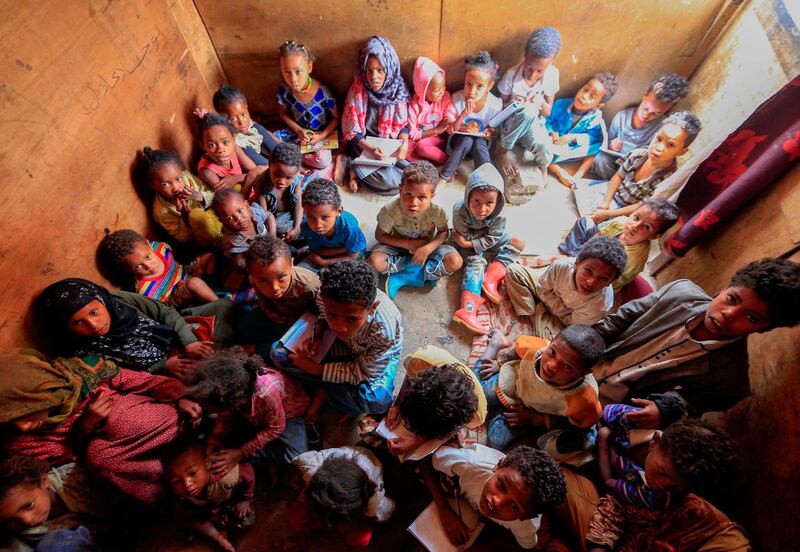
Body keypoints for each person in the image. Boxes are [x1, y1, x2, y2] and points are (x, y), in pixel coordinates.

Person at [591, 257, 800, 425]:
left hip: (608, 410)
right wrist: (579, 344)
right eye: (732, 299)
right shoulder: (679, 293)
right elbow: (621, 319)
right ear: (725, 289)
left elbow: (700, 402)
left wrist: (666, 409)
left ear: (764, 329)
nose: (729, 314)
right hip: (586, 363)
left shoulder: (732, 376)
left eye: (751, 317)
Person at [0, 351, 202, 503]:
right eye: (11, 418)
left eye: (26, 412)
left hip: (163, 426)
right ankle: (173, 490)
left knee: (120, 422)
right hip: (123, 459)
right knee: (100, 458)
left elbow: (145, 381)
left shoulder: (83, 373)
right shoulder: (20, 442)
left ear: (37, 394)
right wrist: (86, 423)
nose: (24, 426)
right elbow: (70, 456)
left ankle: (189, 466)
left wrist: (180, 397)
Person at [272, 260, 402, 417]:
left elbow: (366, 372)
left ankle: (324, 387)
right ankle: (332, 387)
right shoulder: (325, 295)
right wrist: (318, 334)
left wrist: (315, 369)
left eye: (352, 319)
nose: (339, 327)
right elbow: (322, 311)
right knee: (278, 354)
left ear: (372, 308)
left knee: (375, 401)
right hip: (343, 345)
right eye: (332, 315)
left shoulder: (382, 331)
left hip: (369, 358)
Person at [588, 418, 742, 551]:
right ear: (655, 441)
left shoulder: (657, 499)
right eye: (662, 472)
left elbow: (614, 498)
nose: (661, 486)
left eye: (676, 487)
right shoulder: (635, 425)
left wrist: (603, 441)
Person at [38, 278, 214, 378]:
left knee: (226, 309)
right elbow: (116, 376)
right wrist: (162, 367)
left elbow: (164, 311)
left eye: (94, 312)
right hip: (159, 372)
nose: (94, 325)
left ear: (101, 301)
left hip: (175, 337)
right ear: (66, 327)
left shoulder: (118, 300)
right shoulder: (79, 351)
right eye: (78, 322)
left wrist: (189, 342)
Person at [480, 325, 604, 454]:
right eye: (553, 352)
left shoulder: (584, 399)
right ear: (551, 341)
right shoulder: (537, 348)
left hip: (533, 411)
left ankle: (502, 407)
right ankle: (495, 345)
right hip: (516, 384)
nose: (551, 365)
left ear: (583, 373)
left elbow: (579, 424)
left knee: (497, 440)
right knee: (477, 391)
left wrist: (534, 419)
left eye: (567, 366)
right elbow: (517, 349)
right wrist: (499, 363)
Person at [185, 347, 310, 470]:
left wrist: (241, 453)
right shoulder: (230, 390)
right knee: (214, 427)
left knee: (293, 456)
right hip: (254, 413)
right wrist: (216, 437)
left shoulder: (266, 394)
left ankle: (258, 455)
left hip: (288, 413)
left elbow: (276, 428)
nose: (201, 407)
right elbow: (225, 415)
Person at [426, 444, 566, 549]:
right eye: (502, 485)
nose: (497, 502)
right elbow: (425, 458)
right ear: (498, 466)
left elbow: (528, 544)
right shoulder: (468, 462)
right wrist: (444, 509)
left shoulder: (526, 526)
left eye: (514, 507)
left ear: (524, 517)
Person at [368, 161, 463, 299]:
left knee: (455, 261)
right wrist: (407, 244)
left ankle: (412, 272)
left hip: (427, 248)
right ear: (400, 190)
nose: (413, 202)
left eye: (422, 197)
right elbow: (380, 235)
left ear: (432, 196)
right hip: (398, 247)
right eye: (408, 194)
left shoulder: (437, 211)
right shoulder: (389, 211)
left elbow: (444, 232)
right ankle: (419, 271)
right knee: (374, 261)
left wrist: (426, 249)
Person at [587, 111, 702, 223]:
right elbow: (618, 176)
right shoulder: (637, 155)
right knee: (581, 198)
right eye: (659, 138)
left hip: (627, 215)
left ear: (681, 151)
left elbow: (640, 206)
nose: (659, 147)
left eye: (670, 145)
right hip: (610, 197)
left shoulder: (667, 180)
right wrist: (605, 204)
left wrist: (608, 214)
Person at [451, 163, 525, 334]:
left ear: (497, 201)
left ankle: (490, 278)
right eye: (476, 201)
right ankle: (468, 310)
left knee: (518, 242)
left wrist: (470, 243)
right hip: (466, 248)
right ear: (468, 196)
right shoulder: (459, 210)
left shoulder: (501, 214)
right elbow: (464, 236)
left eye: (489, 203)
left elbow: (493, 237)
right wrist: (470, 245)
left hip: (471, 243)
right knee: (476, 265)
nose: (482, 209)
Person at [505, 237, 627, 339]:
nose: (591, 282)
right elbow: (542, 286)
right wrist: (548, 302)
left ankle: (535, 315)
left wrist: (549, 306)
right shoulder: (562, 266)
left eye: (603, 278)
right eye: (588, 271)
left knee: (551, 341)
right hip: (550, 300)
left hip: (561, 321)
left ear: (610, 282)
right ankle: (529, 315)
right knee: (514, 271)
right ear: (577, 263)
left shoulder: (601, 305)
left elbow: (572, 324)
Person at [559, 198, 680, 291]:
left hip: (600, 273)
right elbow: (598, 235)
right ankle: (573, 255)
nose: (635, 226)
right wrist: (583, 255)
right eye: (636, 218)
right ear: (631, 214)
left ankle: (574, 258)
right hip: (593, 252)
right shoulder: (620, 222)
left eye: (647, 227)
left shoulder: (635, 261)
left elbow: (611, 282)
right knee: (584, 222)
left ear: (654, 236)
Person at [383, 348, 483, 458]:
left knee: (479, 373)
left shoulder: (477, 415)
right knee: (409, 361)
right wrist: (399, 405)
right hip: (431, 359)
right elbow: (409, 379)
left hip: (476, 391)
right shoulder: (421, 361)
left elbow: (453, 429)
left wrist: (417, 441)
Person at [342, 35, 410, 194]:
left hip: (388, 144)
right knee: (387, 180)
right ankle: (353, 168)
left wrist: (404, 144)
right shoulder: (357, 90)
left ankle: (356, 172)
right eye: (369, 70)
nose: (374, 77)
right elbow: (352, 132)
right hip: (363, 145)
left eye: (380, 70)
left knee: (410, 173)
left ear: (390, 68)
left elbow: (402, 126)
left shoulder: (396, 90)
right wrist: (371, 150)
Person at [591, 73, 690, 180]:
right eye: (645, 108)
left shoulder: (663, 128)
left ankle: (619, 187)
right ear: (645, 96)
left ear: (667, 110)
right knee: (600, 160)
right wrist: (611, 145)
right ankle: (615, 186)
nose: (646, 115)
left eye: (655, 114)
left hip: (635, 170)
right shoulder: (622, 116)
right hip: (614, 163)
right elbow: (607, 141)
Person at [164, 436, 256, 552]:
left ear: (207, 464)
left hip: (231, 500)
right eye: (177, 481)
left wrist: (245, 499)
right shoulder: (182, 497)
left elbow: (248, 472)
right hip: (212, 508)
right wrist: (217, 537)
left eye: (192, 473)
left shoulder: (224, 475)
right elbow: (194, 518)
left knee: (246, 520)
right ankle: (221, 530)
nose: (187, 484)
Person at [290, 447, 394, 548]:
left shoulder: (371, 497)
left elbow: (377, 512)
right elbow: (303, 461)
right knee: (296, 519)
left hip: (358, 502)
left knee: (361, 539)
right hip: (337, 477)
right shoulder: (314, 469)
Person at [235, 235, 320, 359]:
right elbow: (262, 298)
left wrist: (300, 320)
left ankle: (256, 348)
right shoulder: (255, 278)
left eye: (281, 277)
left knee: (287, 350)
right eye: (264, 281)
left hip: (301, 323)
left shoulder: (309, 285)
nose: (274, 288)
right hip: (278, 316)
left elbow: (320, 314)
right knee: (242, 328)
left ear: (291, 263)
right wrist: (268, 311)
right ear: (252, 274)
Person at [495, 26, 562, 179]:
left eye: (540, 71)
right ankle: (502, 151)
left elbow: (547, 112)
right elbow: (501, 109)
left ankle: (543, 168)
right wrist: (514, 104)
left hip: (533, 125)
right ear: (525, 57)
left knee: (545, 149)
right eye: (529, 68)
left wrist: (540, 102)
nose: (533, 75)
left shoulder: (552, 75)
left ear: (550, 64)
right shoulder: (512, 75)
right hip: (511, 125)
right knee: (528, 111)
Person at [0, 455, 103, 552]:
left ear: (44, 481)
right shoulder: (21, 534)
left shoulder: (75, 478)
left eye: (29, 505)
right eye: (11, 521)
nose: (27, 521)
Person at [98, 229, 218, 307]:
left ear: (149, 244)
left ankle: (210, 287)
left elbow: (178, 260)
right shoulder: (143, 289)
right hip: (175, 298)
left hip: (186, 274)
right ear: (127, 270)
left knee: (209, 256)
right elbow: (163, 309)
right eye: (138, 267)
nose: (149, 266)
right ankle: (219, 304)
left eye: (148, 257)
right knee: (194, 283)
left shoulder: (160, 247)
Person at [546, 72, 618, 188]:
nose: (584, 96)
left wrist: (574, 138)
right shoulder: (560, 104)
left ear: (598, 106)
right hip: (551, 144)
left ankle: (578, 176)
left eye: (592, 96)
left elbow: (593, 138)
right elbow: (547, 120)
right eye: (585, 90)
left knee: (598, 148)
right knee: (539, 144)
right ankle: (558, 172)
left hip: (569, 149)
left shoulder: (595, 118)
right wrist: (551, 132)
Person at [276, 40, 339, 173]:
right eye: (286, 72)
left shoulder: (323, 93)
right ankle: (293, 157)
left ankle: (292, 158)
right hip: (296, 133)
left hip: (317, 137)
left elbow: (336, 118)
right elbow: (282, 114)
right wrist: (298, 130)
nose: (292, 79)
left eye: (298, 71)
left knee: (323, 160)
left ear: (309, 67)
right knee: (270, 140)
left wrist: (321, 135)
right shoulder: (284, 90)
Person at [440, 51, 502, 183]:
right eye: (468, 84)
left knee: (479, 143)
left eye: (479, 86)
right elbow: (450, 130)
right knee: (467, 139)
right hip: (457, 144)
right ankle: (444, 177)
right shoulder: (457, 99)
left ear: (489, 86)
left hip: (479, 146)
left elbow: (493, 132)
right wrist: (463, 117)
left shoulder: (495, 104)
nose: (472, 91)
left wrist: (488, 133)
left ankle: (485, 180)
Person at [139, 147, 222, 245]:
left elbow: (216, 197)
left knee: (234, 189)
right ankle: (225, 244)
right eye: (165, 184)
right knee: (196, 215)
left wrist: (198, 196)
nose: (176, 187)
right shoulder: (161, 211)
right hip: (206, 235)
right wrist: (185, 218)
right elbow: (184, 239)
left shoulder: (186, 178)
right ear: (152, 186)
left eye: (178, 178)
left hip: (217, 214)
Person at [194, 109, 267, 198]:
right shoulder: (207, 171)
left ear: (233, 139)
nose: (221, 150)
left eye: (225, 142)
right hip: (237, 200)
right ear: (203, 146)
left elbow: (255, 170)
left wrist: (235, 179)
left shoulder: (234, 148)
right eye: (212, 145)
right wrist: (251, 176)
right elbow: (230, 198)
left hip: (249, 188)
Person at [298, 178, 367, 271]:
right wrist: (345, 249)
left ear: (338, 211)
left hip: (352, 256)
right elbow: (318, 252)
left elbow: (354, 256)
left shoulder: (350, 228)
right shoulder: (306, 227)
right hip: (337, 252)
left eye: (325, 217)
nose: (318, 225)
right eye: (311, 217)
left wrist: (324, 263)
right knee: (300, 271)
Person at [212, 84, 279, 166]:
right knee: (245, 148)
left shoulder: (249, 123)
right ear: (223, 118)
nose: (241, 122)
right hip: (254, 162)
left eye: (243, 114)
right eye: (233, 118)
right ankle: (276, 167)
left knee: (259, 128)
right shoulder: (232, 139)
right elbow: (249, 164)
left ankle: (283, 157)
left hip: (257, 146)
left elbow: (269, 135)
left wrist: (280, 144)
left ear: (246, 108)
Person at [406, 56, 457, 164]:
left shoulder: (445, 97)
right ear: (423, 90)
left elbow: (450, 110)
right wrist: (435, 130)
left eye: (443, 87)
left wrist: (449, 118)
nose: (442, 92)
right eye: (437, 90)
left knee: (422, 146)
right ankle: (427, 164)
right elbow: (412, 134)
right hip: (421, 138)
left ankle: (447, 162)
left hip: (437, 140)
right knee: (405, 148)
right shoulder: (413, 105)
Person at [213, 189, 276, 274]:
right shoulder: (234, 239)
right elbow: (239, 262)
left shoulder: (255, 213)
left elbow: (269, 215)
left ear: (247, 205)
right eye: (229, 218)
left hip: (267, 241)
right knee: (238, 265)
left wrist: (273, 234)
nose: (238, 218)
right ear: (223, 221)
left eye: (240, 211)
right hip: (250, 252)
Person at [254, 143, 304, 241]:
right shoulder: (261, 184)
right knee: (279, 227)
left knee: (315, 212)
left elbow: (299, 205)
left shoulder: (296, 180)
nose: (281, 181)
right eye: (277, 175)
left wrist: (297, 227)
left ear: (297, 171)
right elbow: (264, 215)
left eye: (288, 177)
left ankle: (297, 232)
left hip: (293, 211)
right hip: (276, 217)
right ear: (269, 164)